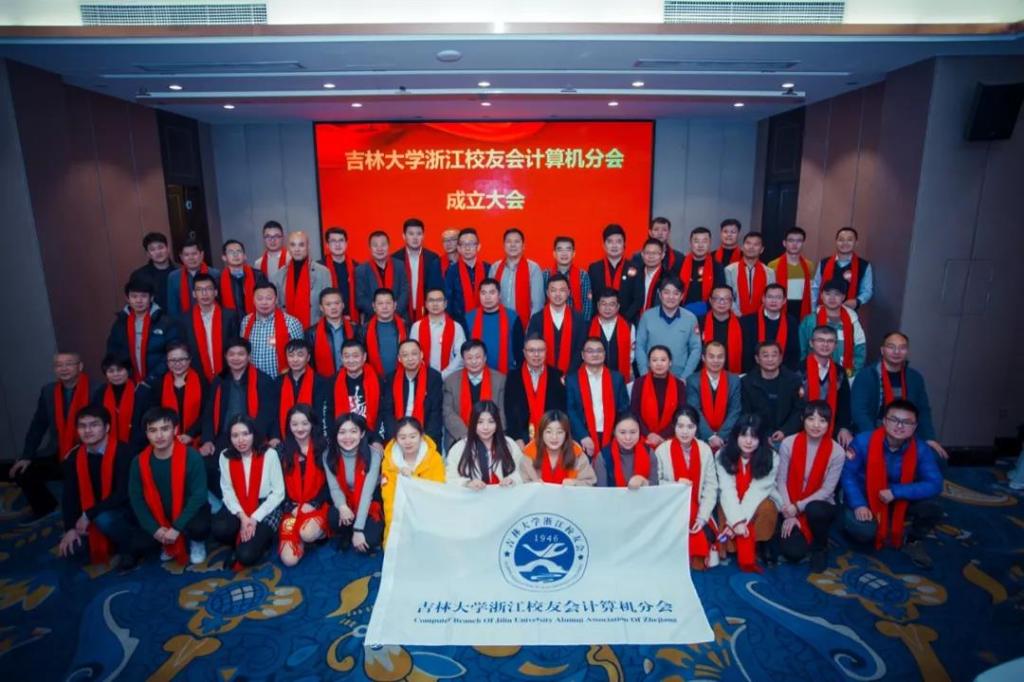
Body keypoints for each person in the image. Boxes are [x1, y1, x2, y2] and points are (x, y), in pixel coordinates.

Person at [841, 399, 943, 568]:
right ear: (884, 421)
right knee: (863, 533)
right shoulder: (863, 441)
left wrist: (896, 492)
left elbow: (935, 483)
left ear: (915, 427)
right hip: (866, 497)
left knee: (933, 507)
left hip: (898, 498)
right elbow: (847, 475)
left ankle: (913, 540)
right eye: (894, 420)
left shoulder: (920, 449)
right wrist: (859, 504)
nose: (899, 426)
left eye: (907, 422)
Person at [6, 352, 89, 520]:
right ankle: (46, 508)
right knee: (23, 471)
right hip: (57, 450)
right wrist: (26, 456)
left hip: (86, 450)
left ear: (80, 366)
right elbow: (38, 425)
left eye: (69, 364)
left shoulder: (96, 389)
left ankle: (81, 512)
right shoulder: (48, 391)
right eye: (59, 365)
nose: (64, 368)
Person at [58, 406, 142, 569]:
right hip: (93, 510)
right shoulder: (74, 457)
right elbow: (69, 495)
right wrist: (70, 528)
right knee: (73, 551)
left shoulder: (125, 452)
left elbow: (123, 493)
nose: (87, 430)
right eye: (82, 426)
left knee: (105, 520)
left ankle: (131, 548)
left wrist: (88, 515)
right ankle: (108, 541)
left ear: (107, 427)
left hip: (125, 510)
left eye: (94, 425)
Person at [129, 407, 211, 565]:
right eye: (153, 430)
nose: (159, 436)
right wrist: (154, 529)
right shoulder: (138, 462)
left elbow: (199, 496)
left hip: (189, 511)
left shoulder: (192, 456)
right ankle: (165, 539)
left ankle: (196, 542)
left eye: (165, 429)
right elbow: (136, 499)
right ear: (146, 434)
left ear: (175, 430)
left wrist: (176, 527)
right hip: (159, 513)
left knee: (200, 527)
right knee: (140, 544)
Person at [851, 332, 946, 459]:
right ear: (882, 350)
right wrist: (876, 439)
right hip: (874, 432)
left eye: (902, 348)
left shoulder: (914, 378)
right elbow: (859, 412)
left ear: (907, 352)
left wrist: (929, 438)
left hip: (905, 434)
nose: (896, 352)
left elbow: (923, 410)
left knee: (936, 457)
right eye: (891, 347)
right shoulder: (867, 376)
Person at [775, 401, 846, 571]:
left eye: (822, 420)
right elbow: (781, 481)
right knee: (793, 552)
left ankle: (820, 547)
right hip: (789, 503)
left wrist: (797, 507)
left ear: (829, 424)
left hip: (820, 505)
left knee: (815, 509)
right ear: (802, 419)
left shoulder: (837, 452)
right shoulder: (788, 443)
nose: (816, 425)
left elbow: (827, 490)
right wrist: (789, 512)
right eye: (811, 419)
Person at [211, 415, 285, 568]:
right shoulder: (225, 456)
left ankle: (258, 542)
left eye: (245, 434)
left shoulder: (269, 454)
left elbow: (278, 493)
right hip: (239, 504)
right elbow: (227, 491)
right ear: (230, 438)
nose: (241, 440)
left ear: (253, 434)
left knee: (246, 556)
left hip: (265, 505)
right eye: (235, 435)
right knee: (219, 529)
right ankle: (241, 538)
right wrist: (243, 517)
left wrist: (255, 518)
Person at [654, 406, 719, 569]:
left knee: (699, 560)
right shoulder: (662, 450)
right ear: (674, 427)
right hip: (670, 511)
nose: (685, 431)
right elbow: (655, 483)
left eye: (690, 426)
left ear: (697, 428)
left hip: (697, 509)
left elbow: (711, 487)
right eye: (680, 426)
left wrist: (702, 518)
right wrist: (676, 485)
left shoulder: (705, 450)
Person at [715, 414, 781, 572]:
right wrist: (736, 521)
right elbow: (727, 490)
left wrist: (734, 523)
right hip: (732, 498)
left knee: (767, 508)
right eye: (744, 435)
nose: (749, 441)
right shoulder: (722, 454)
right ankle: (736, 542)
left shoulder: (771, 457)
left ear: (761, 439)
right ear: (735, 436)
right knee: (726, 509)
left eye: (754, 437)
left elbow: (756, 492)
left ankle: (762, 541)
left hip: (760, 499)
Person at [201, 338, 276, 455]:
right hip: (224, 437)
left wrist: (253, 438)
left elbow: (267, 414)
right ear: (226, 357)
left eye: (241, 354)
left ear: (249, 357)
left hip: (252, 437)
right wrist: (208, 440)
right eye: (231, 354)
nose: (236, 358)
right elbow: (209, 413)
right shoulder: (219, 380)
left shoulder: (263, 380)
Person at [277, 405, 330, 566]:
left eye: (305, 423)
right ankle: (303, 537)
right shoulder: (281, 450)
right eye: (294, 424)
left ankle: (318, 535)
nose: (300, 428)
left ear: (312, 424)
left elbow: (332, 483)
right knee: (289, 560)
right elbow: (277, 485)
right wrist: (290, 506)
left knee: (307, 533)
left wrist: (314, 503)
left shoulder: (323, 447)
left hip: (317, 506)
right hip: (291, 508)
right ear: (289, 426)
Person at [324, 413, 384, 553]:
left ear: (362, 434)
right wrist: (342, 506)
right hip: (347, 499)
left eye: (353, 431)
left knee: (371, 540)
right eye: (342, 432)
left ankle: (355, 528)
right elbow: (334, 488)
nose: (348, 437)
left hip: (368, 502)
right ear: (336, 435)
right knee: (333, 516)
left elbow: (367, 493)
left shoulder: (373, 455)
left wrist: (358, 529)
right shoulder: (328, 455)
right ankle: (347, 532)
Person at [380, 417, 445, 545]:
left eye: (413, 436)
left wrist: (412, 479)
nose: (408, 442)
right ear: (396, 439)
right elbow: (389, 500)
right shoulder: (389, 462)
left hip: (427, 517)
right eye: (402, 437)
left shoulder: (434, 459)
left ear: (421, 436)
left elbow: (437, 494)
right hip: (400, 517)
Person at [566, 337, 630, 459]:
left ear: (604, 354)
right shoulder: (572, 380)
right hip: (583, 436)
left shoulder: (617, 378)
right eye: (590, 351)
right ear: (583, 355)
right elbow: (570, 410)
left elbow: (624, 409)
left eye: (599, 351)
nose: (595, 354)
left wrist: (619, 434)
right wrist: (583, 436)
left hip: (612, 435)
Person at [106, 277, 176, 384]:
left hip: (160, 381)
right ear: (128, 299)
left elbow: (174, 354)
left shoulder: (165, 322)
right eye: (134, 296)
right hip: (129, 382)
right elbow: (112, 353)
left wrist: (151, 379)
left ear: (151, 298)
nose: (138, 300)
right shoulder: (120, 323)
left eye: (143, 296)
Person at [504, 334, 567, 448]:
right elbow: (509, 410)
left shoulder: (556, 375)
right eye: (531, 350)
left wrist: (556, 436)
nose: (536, 354)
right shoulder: (513, 377)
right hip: (522, 438)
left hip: (552, 436)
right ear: (524, 352)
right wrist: (516, 437)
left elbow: (561, 410)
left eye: (540, 350)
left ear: (546, 352)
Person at [446, 400, 529, 488]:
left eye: (491, 421)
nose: (485, 427)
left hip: (505, 495)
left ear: (497, 423)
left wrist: (512, 480)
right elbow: (449, 478)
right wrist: (467, 483)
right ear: (473, 423)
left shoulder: (509, 445)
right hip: (472, 496)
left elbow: (523, 472)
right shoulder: (459, 448)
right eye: (480, 422)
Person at [442, 339, 507, 446]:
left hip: (492, 435)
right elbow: (447, 412)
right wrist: (466, 435)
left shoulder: (500, 380)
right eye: (469, 358)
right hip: (459, 437)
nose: (474, 361)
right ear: (463, 360)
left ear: (485, 358)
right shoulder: (451, 381)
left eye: (478, 357)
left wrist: (488, 433)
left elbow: (502, 412)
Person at [635, 276, 702, 379]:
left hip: (680, 378)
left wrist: (685, 377)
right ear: (660, 294)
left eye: (676, 293)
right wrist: (644, 374)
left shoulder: (690, 318)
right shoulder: (647, 316)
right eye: (666, 292)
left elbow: (696, 349)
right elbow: (639, 346)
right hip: (650, 377)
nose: (671, 297)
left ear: (682, 296)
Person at [178, 273, 240, 383]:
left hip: (227, 375)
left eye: (208, 289)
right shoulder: (185, 320)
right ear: (194, 294)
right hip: (197, 377)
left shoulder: (229, 316)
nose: (204, 293)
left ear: (215, 292)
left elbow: (235, 347)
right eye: (199, 290)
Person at [798, 278, 866, 376]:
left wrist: (852, 374)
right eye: (828, 294)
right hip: (813, 374)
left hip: (845, 375)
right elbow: (801, 349)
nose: (832, 298)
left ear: (843, 297)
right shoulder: (809, 321)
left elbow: (860, 349)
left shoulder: (853, 321)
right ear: (821, 296)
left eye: (837, 294)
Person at [741, 342, 804, 447]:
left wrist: (785, 431)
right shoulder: (747, 382)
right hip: (757, 436)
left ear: (780, 358)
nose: (770, 359)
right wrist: (762, 434)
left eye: (774, 355)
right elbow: (746, 413)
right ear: (757, 359)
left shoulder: (793, 380)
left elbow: (799, 410)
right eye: (765, 356)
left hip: (788, 436)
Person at [382, 339, 444, 446]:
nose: (410, 358)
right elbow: (388, 412)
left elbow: (435, 413)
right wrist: (396, 437)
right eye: (405, 355)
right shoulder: (391, 378)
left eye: (414, 354)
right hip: (398, 433)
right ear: (399, 359)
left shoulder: (434, 377)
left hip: (425, 433)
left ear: (421, 355)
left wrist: (425, 440)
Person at [801, 326, 854, 447]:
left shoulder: (840, 372)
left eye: (830, 341)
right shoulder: (799, 370)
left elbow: (844, 404)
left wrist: (844, 427)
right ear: (811, 343)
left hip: (831, 428)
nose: (825, 345)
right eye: (820, 340)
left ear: (835, 345)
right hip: (802, 427)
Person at [272, 339, 331, 444]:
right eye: (291, 355)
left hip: (314, 438)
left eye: (300, 355)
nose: (295, 359)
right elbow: (274, 413)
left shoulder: (320, 382)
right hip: (284, 438)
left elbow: (321, 414)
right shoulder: (279, 381)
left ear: (308, 357)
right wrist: (275, 436)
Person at [686, 341, 742, 452]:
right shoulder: (693, 380)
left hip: (727, 437)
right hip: (700, 436)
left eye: (720, 357)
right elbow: (694, 410)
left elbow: (735, 411)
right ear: (703, 358)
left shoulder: (734, 380)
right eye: (711, 357)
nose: (716, 361)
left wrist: (721, 436)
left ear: (725, 358)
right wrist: (710, 436)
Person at [271, 231, 333, 329]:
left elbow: (329, 303)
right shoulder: (279, 275)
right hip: (288, 328)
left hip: (315, 328)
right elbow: (276, 305)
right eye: (293, 245)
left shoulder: (323, 272)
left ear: (308, 247)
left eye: (301, 245)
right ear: (288, 248)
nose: (297, 249)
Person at [526, 273, 586, 374]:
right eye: (553, 290)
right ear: (547, 293)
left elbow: (580, 349)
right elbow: (531, 347)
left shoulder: (578, 319)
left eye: (562, 290)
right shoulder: (537, 318)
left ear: (568, 292)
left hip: (571, 375)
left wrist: (569, 374)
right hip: (542, 374)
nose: (558, 294)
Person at [240, 282, 303, 377]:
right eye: (259, 298)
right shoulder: (246, 321)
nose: (264, 302)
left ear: (276, 300)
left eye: (269, 298)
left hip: (282, 379)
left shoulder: (292, 323)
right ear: (253, 300)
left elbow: (301, 355)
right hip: (253, 379)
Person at [631, 346, 688, 449]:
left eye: (663, 360)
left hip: (670, 437)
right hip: (644, 437)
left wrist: (662, 436)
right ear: (649, 363)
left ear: (670, 362)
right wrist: (648, 434)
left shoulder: (679, 385)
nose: (659, 364)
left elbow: (681, 415)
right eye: (654, 360)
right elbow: (634, 412)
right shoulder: (639, 383)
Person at [92, 354, 151, 454]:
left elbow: (148, 422)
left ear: (128, 371)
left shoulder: (142, 392)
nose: (116, 374)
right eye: (111, 371)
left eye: (120, 370)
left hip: (138, 447)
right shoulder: (100, 392)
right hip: (106, 446)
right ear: (106, 374)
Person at [520, 410, 596, 485]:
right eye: (548, 432)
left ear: (566, 434)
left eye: (560, 432)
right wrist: (533, 485)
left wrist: (575, 484)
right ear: (541, 433)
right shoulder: (529, 454)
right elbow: (520, 484)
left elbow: (591, 482)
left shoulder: (576, 453)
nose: (554, 437)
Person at [465, 278, 524, 373]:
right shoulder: (468, 318)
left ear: (499, 295)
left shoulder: (512, 317)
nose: (487, 297)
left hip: (508, 373)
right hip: (476, 374)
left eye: (492, 293)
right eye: (483, 293)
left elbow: (520, 347)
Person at [489, 228, 544, 328]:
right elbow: (489, 300)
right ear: (504, 245)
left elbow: (537, 304)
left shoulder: (533, 269)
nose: (512, 245)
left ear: (523, 246)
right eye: (509, 241)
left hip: (525, 326)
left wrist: (530, 328)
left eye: (517, 241)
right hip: (498, 325)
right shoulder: (495, 268)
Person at [393, 218, 444, 322]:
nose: (415, 238)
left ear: (423, 236)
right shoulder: (395, 259)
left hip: (428, 312)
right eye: (411, 234)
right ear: (404, 236)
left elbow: (436, 288)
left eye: (419, 234)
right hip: (401, 313)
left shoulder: (433, 258)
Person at [740, 283, 800, 372]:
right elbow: (746, 353)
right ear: (763, 299)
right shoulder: (747, 321)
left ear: (784, 301)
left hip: (783, 371)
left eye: (778, 297)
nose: (773, 301)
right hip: (754, 371)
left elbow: (794, 351)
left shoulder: (791, 322)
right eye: (770, 297)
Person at [158, 342, 207, 449]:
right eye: (172, 360)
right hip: (166, 438)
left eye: (182, 359)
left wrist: (190, 434)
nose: (177, 363)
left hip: (196, 438)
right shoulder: (160, 383)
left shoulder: (202, 381)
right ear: (167, 362)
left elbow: (207, 413)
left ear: (189, 360)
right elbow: (157, 414)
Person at [811, 226, 873, 310]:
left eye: (849, 240)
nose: (845, 243)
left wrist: (857, 301)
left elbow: (867, 291)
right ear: (836, 242)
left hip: (849, 312)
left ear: (856, 243)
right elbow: (815, 288)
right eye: (841, 240)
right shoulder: (824, 263)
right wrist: (813, 310)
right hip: (823, 311)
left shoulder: (864, 265)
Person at [410, 287, 465, 379]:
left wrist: (443, 375)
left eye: (439, 300)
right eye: (431, 300)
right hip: (422, 377)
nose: (435, 304)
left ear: (445, 304)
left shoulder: (456, 327)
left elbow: (461, 355)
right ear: (426, 304)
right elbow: (412, 353)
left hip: (449, 377)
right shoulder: (417, 326)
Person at [355, 230, 411, 322]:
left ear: (388, 246)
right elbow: (361, 298)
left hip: (400, 318)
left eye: (383, 245)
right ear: (370, 248)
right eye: (375, 245)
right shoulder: (361, 270)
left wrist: (394, 314)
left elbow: (405, 292)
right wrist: (381, 315)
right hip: (372, 320)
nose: (379, 248)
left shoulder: (400, 266)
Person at [332, 340, 384, 435]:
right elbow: (329, 413)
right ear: (341, 358)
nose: (351, 360)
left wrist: (376, 438)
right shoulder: (333, 382)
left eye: (355, 356)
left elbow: (382, 412)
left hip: (371, 434)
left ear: (364, 357)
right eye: (346, 356)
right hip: (343, 435)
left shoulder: (378, 381)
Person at [306, 288, 360, 378]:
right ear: (321, 308)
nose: (333, 307)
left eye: (337, 303)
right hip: (324, 380)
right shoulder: (311, 333)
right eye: (328, 304)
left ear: (343, 305)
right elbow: (310, 363)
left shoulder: (355, 329)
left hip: (351, 378)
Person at [594, 413, 660, 488]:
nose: (628, 438)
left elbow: (655, 488)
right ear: (614, 432)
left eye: (633, 432)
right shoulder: (603, 457)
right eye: (622, 432)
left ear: (639, 432)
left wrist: (643, 481)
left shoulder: (649, 453)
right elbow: (601, 491)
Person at [444, 228, 490, 326]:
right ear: (458, 248)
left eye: (471, 244)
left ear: (478, 247)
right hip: (459, 324)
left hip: (486, 321)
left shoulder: (488, 269)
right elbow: (448, 300)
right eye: (463, 244)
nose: (467, 248)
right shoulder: (452, 271)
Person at [588, 288, 635, 383]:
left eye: (611, 304)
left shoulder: (629, 327)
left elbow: (632, 354)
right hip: (594, 378)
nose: (607, 308)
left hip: (620, 378)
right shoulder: (588, 327)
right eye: (604, 304)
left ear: (618, 307)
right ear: (598, 305)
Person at [679, 226, 726, 321]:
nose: (700, 245)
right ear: (690, 243)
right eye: (696, 241)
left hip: (708, 314)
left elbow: (720, 293)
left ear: (710, 243)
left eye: (704, 241)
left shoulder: (717, 267)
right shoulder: (680, 264)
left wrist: (704, 308)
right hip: (681, 313)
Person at [767, 227, 815, 320]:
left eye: (799, 241)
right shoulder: (773, 265)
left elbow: (812, 292)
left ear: (803, 243)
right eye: (791, 240)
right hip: (781, 306)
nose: (794, 244)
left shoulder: (809, 265)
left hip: (802, 307)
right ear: (784, 243)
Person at [724, 232, 775, 317]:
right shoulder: (729, 270)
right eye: (748, 243)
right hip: (735, 317)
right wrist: (740, 316)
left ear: (761, 249)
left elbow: (770, 297)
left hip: (761, 317)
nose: (751, 247)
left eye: (756, 244)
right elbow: (727, 297)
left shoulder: (769, 272)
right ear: (742, 247)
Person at [167, 238, 220, 320]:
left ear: (202, 254)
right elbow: (173, 308)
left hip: (211, 320)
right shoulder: (173, 277)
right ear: (181, 257)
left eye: (194, 254)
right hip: (184, 322)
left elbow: (220, 301)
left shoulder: (214, 274)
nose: (191, 258)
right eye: (186, 255)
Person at [362, 288, 407, 378]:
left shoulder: (406, 327)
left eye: (388, 303)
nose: (384, 307)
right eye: (380, 303)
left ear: (395, 305)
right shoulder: (364, 330)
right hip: (373, 378)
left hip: (401, 377)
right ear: (374, 306)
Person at [546, 236, 593, 321]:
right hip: (550, 322)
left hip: (576, 323)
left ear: (573, 253)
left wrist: (582, 325)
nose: (564, 253)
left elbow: (587, 305)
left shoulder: (583, 275)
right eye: (560, 250)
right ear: (554, 253)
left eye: (568, 249)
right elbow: (542, 302)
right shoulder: (546, 275)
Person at [621, 238, 665, 323]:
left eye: (655, 253)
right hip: (634, 322)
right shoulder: (634, 274)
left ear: (662, 255)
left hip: (658, 322)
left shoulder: (667, 278)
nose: (651, 256)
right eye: (647, 253)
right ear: (642, 254)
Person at [129, 232, 177, 312]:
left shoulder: (180, 271)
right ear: (148, 254)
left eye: (160, 247)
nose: (158, 252)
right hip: (153, 318)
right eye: (152, 249)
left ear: (168, 249)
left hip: (180, 318)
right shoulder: (139, 275)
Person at [702, 286, 744, 375]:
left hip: (734, 375)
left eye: (726, 299)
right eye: (717, 298)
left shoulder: (743, 324)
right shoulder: (699, 323)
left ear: (732, 302)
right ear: (710, 300)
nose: (722, 302)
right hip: (704, 375)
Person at [321, 227, 360, 320]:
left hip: (353, 319)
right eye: (333, 241)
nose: (338, 244)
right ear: (327, 245)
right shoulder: (320, 268)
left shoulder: (357, 267)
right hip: (328, 319)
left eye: (341, 240)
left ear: (346, 243)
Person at [220, 239, 265, 317]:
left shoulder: (258, 276)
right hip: (231, 321)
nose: (235, 255)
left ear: (244, 256)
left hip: (256, 319)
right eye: (231, 252)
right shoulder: (219, 280)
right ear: (224, 257)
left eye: (239, 251)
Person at [586, 224, 629, 295]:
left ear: (624, 245)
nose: (614, 245)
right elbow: (589, 295)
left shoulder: (634, 268)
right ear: (604, 245)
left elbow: (638, 297)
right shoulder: (594, 269)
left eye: (618, 241)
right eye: (610, 241)